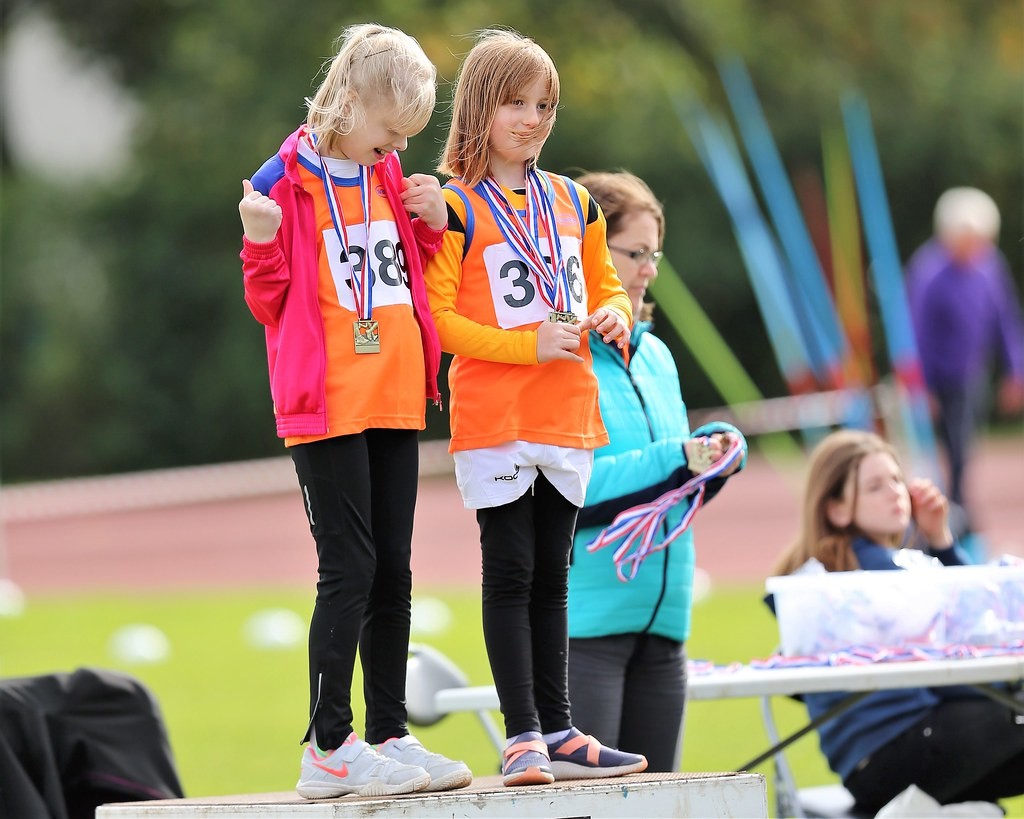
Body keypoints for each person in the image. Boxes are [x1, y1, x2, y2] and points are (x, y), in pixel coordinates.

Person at [236, 23, 471, 799]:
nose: (395, 145)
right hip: (327, 400)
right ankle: (326, 744)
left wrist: (436, 220)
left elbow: (408, 270)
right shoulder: (281, 179)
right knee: (350, 567)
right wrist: (260, 242)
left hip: (397, 393)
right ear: (347, 99)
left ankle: (388, 730)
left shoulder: (389, 173)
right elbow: (267, 300)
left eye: (406, 135)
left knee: (395, 572)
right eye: (388, 129)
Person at [423, 29, 648, 787]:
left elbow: (602, 285)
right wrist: (527, 347)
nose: (533, 117)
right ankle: (521, 733)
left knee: (553, 572)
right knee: (509, 569)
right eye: (516, 102)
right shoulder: (455, 207)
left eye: (545, 103)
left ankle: (560, 728)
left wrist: (614, 312)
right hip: (496, 416)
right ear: (481, 107)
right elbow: (440, 319)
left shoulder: (573, 201)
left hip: (567, 413)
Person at [566, 171, 746, 773]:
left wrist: (711, 461)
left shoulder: (658, 356)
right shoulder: (559, 357)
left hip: (665, 626)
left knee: (659, 804)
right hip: (586, 632)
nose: (649, 271)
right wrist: (678, 458)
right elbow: (571, 495)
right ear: (589, 251)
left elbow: (663, 494)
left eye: (654, 255)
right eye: (635, 254)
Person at [768, 428, 1024, 814]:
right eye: (875, 486)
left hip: (881, 762)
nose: (894, 492)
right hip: (898, 752)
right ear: (836, 509)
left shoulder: (851, 573)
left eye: (896, 480)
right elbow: (981, 627)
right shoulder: (872, 577)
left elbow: (971, 628)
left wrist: (938, 538)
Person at [905, 187, 1024, 537]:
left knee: (964, 448)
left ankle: (957, 511)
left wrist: (1015, 370)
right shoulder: (928, 271)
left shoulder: (990, 266)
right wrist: (921, 387)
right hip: (938, 378)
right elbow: (916, 333)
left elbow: (1005, 319)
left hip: (972, 374)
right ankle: (949, 514)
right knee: (944, 449)